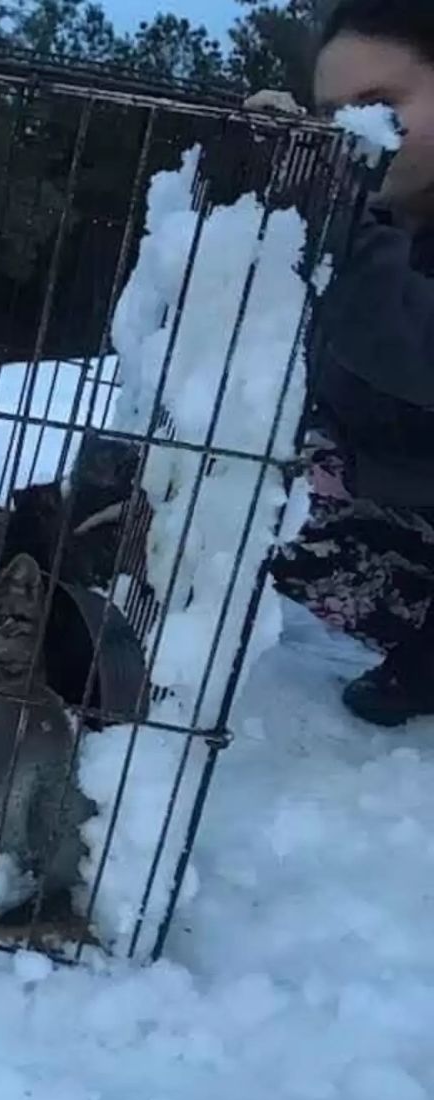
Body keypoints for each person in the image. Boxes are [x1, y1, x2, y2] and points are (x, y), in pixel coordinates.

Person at [249, 0, 434, 727]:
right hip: (397, 493)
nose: (355, 133)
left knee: (281, 529)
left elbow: (409, 349)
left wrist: (333, 212)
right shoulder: (378, 217)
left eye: (381, 104)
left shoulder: (358, 228)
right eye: (334, 114)